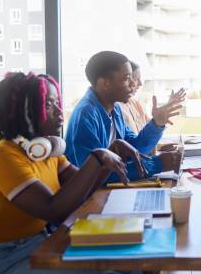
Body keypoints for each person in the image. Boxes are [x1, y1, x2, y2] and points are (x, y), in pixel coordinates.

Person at [0, 72, 153, 274]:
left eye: (58, 103)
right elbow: (54, 209)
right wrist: (98, 156)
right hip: (1, 271)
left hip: (41, 247)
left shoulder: (45, 151)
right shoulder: (4, 157)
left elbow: (85, 188)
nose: (59, 111)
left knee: (130, 268)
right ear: (23, 111)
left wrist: (109, 152)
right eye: (48, 104)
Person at [65, 51, 182, 180]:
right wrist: (157, 164)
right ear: (105, 83)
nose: (133, 83)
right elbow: (93, 174)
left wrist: (156, 124)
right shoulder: (85, 115)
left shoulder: (114, 109)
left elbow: (135, 148)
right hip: (91, 197)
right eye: (127, 78)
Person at [121, 60, 186, 138]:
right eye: (135, 78)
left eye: (139, 79)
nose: (140, 84)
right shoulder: (115, 108)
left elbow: (149, 127)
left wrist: (168, 106)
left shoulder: (134, 103)